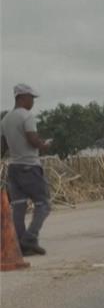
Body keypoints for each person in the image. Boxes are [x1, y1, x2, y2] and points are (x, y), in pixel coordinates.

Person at [0, 84, 52, 255]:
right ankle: (30, 238)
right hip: (30, 166)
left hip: (13, 168)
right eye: (31, 98)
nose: (33, 102)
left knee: (19, 206)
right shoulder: (27, 116)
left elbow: (3, 146)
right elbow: (32, 139)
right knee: (43, 204)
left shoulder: (5, 119)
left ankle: (21, 245)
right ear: (22, 97)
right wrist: (43, 145)